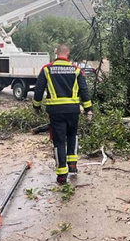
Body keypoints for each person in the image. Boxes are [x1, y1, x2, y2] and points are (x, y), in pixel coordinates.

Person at [32, 44, 93, 185]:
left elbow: (39, 90)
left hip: (56, 112)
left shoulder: (46, 69)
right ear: (68, 53)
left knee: (59, 141)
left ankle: (61, 175)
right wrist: (88, 109)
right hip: (73, 111)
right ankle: (72, 166)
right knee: (72, 135)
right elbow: (84, 91)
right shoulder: (77, 70)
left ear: (56, 53)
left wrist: (36, 107)